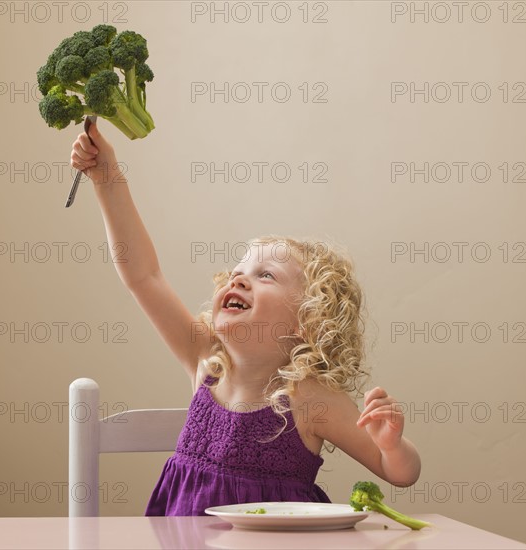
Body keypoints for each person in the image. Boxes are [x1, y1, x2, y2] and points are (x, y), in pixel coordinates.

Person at [70, 122, 422, 516]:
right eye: (238, 271)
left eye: (265, 275)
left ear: (306, 320)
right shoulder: (205, 360)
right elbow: (143, 275)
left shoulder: (310, 399)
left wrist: (392, 445)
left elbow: (401, 474)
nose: (239, 278)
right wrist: (106, 178)